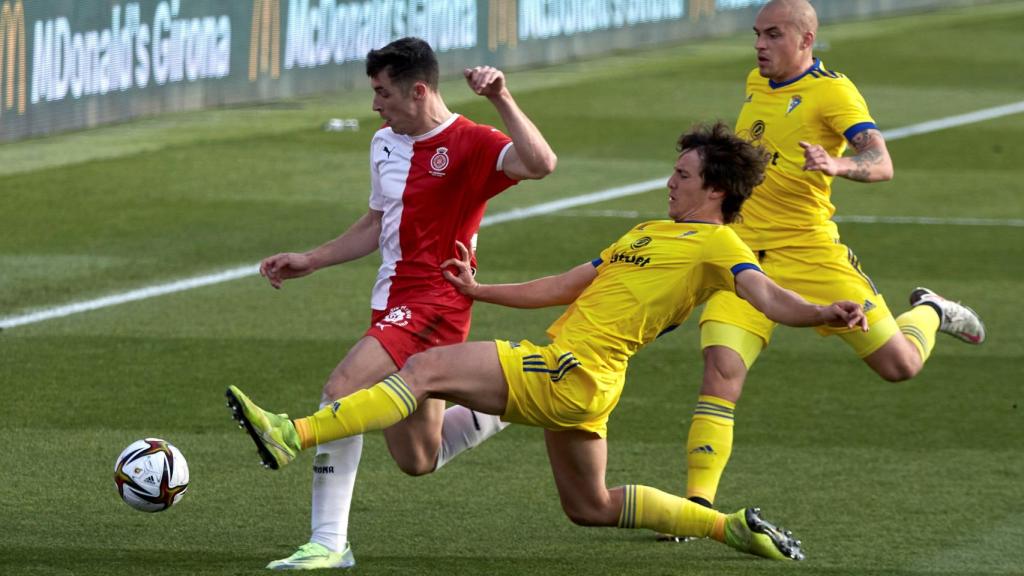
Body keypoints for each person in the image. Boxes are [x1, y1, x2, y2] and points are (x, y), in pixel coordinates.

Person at [226, 122, 872, 563]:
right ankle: (728, 528)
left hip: (574, 369)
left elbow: (765, 297)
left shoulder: (721, 244)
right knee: (590, 507)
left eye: (681, 175)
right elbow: (567, 284)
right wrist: (480, 291)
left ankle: (294, 435)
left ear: (715, 190)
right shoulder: (646, 233)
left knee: (423, 368)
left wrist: (823, 309)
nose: (668, 182)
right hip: (588, 383)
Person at [255, 37, 557, 570]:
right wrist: (313, 259)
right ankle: (521, 400)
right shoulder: (384, 141)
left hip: (436, 300)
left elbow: (541, 163)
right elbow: (377, 220)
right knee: (418, 458)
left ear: (418, 92)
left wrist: (502, 98)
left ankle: (328, 543)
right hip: (391, 302)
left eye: (382, 93)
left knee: (341, 389)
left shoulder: (469, 142)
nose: (375, 105)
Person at [679, 0, 986, 515]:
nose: (760, 45)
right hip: (746, 255)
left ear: (805, 40)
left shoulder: (832, 92)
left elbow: (880, 160)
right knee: (721, 368)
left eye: (773, 35)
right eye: (757, 34)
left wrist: (838, 166)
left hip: (811, 252)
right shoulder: (756, 85)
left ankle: (931, 310)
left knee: (900, 365)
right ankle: (696, 505)